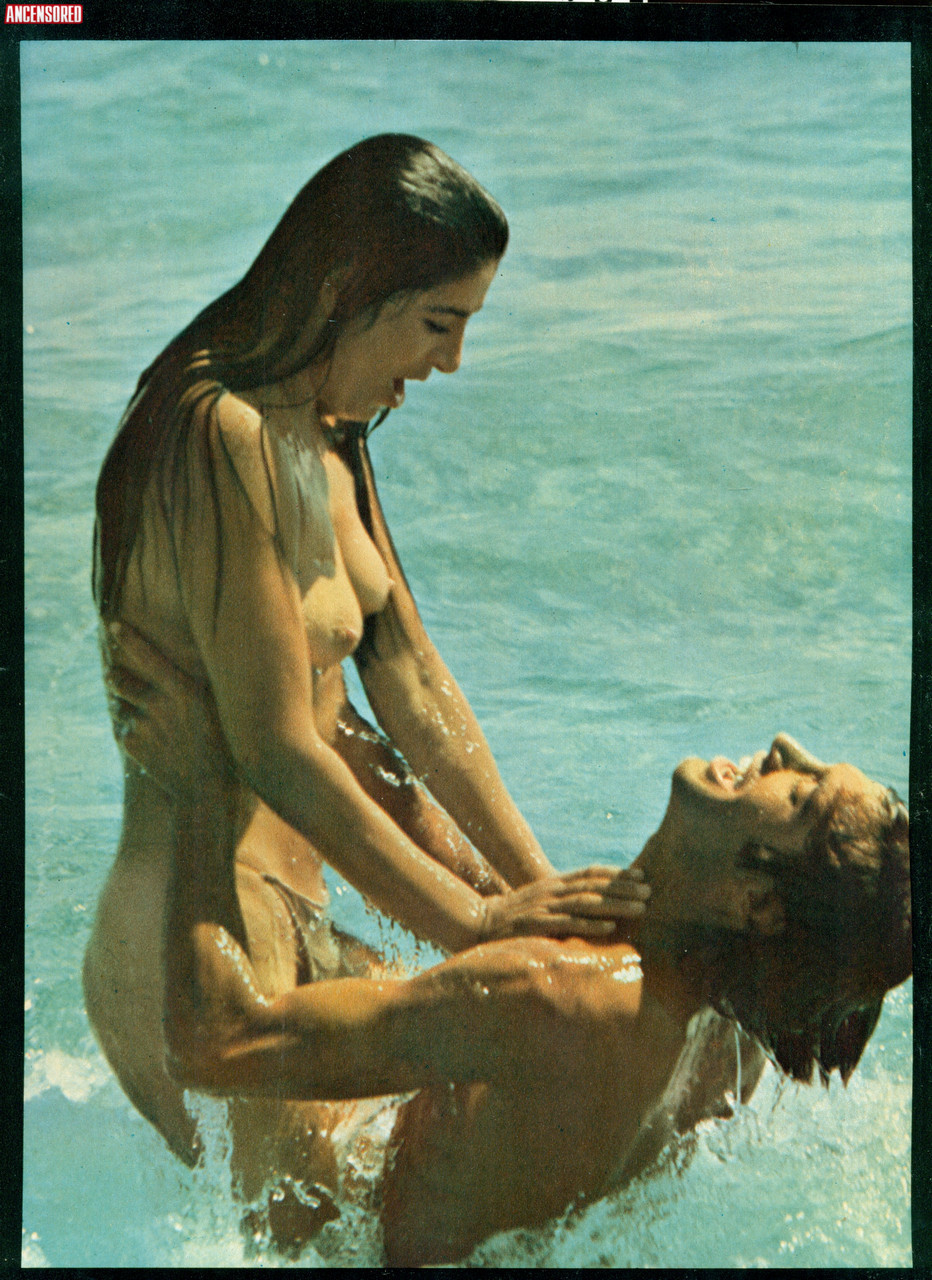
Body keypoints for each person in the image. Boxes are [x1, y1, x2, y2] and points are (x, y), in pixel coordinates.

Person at [83, 134, 649, 1216]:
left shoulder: (332, 430)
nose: (452, 362)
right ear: (350, 286)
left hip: (299, 919)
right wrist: (475, 926)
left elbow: (415, 692)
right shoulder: (217, 432)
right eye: (439, 322)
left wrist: (533, 895)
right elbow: (277, 749)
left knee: (521, 1154)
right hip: (198, 937)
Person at [102, 626, 911, 1265]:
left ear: (756, 902)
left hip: (323, 1231)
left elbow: (213, 1045)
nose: (786, 748)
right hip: (460, 1212)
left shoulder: (557, 994)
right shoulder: (736, 1032)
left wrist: (198, 785)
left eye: (802, 793)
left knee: (246, 860)